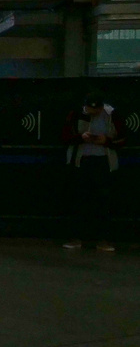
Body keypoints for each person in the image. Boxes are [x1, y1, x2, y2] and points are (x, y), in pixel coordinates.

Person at [62, 93, 126, 252]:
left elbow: (124, 138)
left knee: (103, 201)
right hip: (81, 161)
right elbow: (64, 136)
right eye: (90, 108)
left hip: (104, 162)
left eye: (96, 109)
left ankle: (103, 239)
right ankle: (76, 237)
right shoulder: (76, 114)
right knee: (79, 199)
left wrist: (107, 141)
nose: (93, 112)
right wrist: (80, 137)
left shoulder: (111, 115)